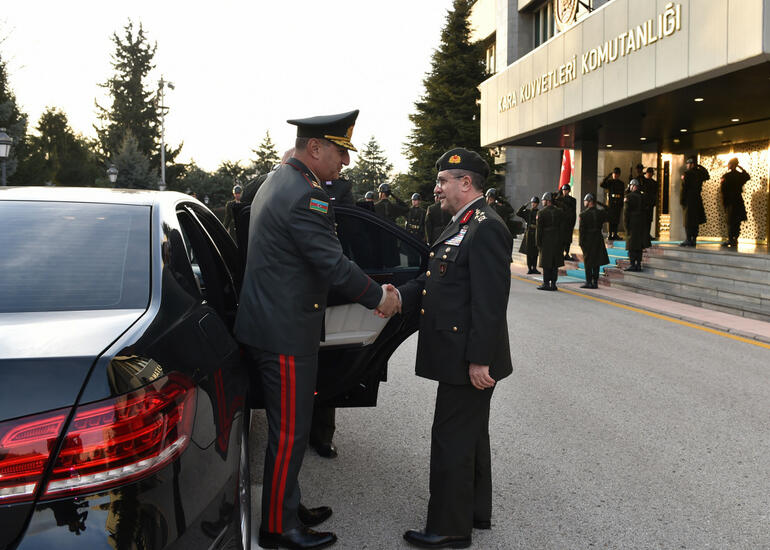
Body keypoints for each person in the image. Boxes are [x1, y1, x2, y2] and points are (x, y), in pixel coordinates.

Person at [234, 109, 401, 550]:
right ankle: (278, 528)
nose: (344, 162)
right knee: (290, 432)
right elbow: (331, 263)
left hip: (270, 324)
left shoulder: (280, 179)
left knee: (287, 430)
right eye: (340, 151)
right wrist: (378, 297)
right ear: (315, 148)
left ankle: (286, 506)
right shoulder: (308, 196)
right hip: (285, 333)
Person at [398, 148, 513, 549]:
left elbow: (490, 300)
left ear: (466, 183)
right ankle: (475, 513)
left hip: (469, 358)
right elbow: (437, 280)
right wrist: (398, 296)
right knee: (471, 435)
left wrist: (480, 359)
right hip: (462, 353)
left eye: (444, 181)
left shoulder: (485, 227)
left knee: (451, 438)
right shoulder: (464, 221)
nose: (437, 188)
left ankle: (448, 528)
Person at [578, 193, 609, 288]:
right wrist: (600, 203)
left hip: (588, 239)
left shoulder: (583, 215)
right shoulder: (600, 213)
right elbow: (608, 210)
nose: (584, 202)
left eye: (586, 201)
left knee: (588, 261)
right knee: (596, 261)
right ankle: (595, 282)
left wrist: (581, 242)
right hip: (598, 238)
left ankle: (588, 282)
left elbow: (581, 230)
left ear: (590, 202)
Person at [536, 192, 565, 291]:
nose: (542, 202)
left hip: (546, 239)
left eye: (543, 200)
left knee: (546, 263)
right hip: (557, 239)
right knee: (554, 263)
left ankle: (546, 283)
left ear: (548, 200)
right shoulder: (560, 212)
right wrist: (562, 241)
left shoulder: (541, 212)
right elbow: (562, 228)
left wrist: (538, 242)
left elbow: (539, 229)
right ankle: (553, 284)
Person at [720, 157, 750, 248]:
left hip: (730, 201)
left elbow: (723, 190)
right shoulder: (740, 175)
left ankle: (730, 239)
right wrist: (740, 168)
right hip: (738, 200)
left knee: (730, 221)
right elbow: (747, 176)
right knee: (737, 222)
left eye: (729, 164)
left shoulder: (726, 176)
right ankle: (735, 239)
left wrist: (724, 203)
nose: (728, 165)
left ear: (732, 165)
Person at [679, 156, 710, 247]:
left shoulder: (687, 174)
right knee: (695, 221)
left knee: (688, 220)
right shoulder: (700, 173)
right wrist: (700, 166)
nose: (687, 165)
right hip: (697, 199)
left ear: (692, 164)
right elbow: (707, 176)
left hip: (689, 199)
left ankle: (688, 239)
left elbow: (684, 188)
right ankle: (694, 239)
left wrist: (682, 200)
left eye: (688, 164)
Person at [623, 179, 650, 272]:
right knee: (639, 245)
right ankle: (638, 264)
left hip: (632, 223)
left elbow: (626, 213)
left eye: (631, 185)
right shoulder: (644, 196)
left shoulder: (629, 197)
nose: (630, 187)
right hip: (641, 223)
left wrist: (626, 225)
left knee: (631, 245)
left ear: (634, 186)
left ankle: (632, 264)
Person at [516, 196, 540, 274]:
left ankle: (534, 268)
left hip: (536, 233)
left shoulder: (539, 212)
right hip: (529, 233)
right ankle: (529, 268)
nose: (533, 204)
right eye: (532, 203)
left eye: (535, 203)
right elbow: (518, 213)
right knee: (529, 252)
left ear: (537, 204)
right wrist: (524, 205)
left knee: (535, 252)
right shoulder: (527, 212)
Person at [553, 183, 577, 260]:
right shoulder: (558, 199)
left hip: (569, 222)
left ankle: (566, 253)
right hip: (560, 223)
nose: (565, 191)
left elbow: (573, 212)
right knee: (561, 239)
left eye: (566, 190)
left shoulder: (572, 200)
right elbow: (552, 199)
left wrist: (573, 223)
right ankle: (560, 253)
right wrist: (558, 193)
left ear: (569, 191)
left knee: (568, 239)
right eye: (563, 190)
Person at [600, 167, 625, 240]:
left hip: (618, 203)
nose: (615, 175)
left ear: (619, 175)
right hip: (611, 203)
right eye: (614, 174)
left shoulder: (621, 183)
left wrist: (621, 203)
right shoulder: (610, 182)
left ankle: (615, 233)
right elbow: (602, 184)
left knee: (617, 219)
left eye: (616, 174)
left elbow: (622, 194)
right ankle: (610, 234)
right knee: (610, 219)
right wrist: (607, 177)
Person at [641, 167, 658, 241]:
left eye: (651, 173)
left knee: (649, 220)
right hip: (644, 204)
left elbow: (655, 194)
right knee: (644, 220)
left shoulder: (654, 183)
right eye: (649, 173)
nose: (650, 174)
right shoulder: (643, 181)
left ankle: (647, 234)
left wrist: (654, 202)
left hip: (650, 203)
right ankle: (644, 234)